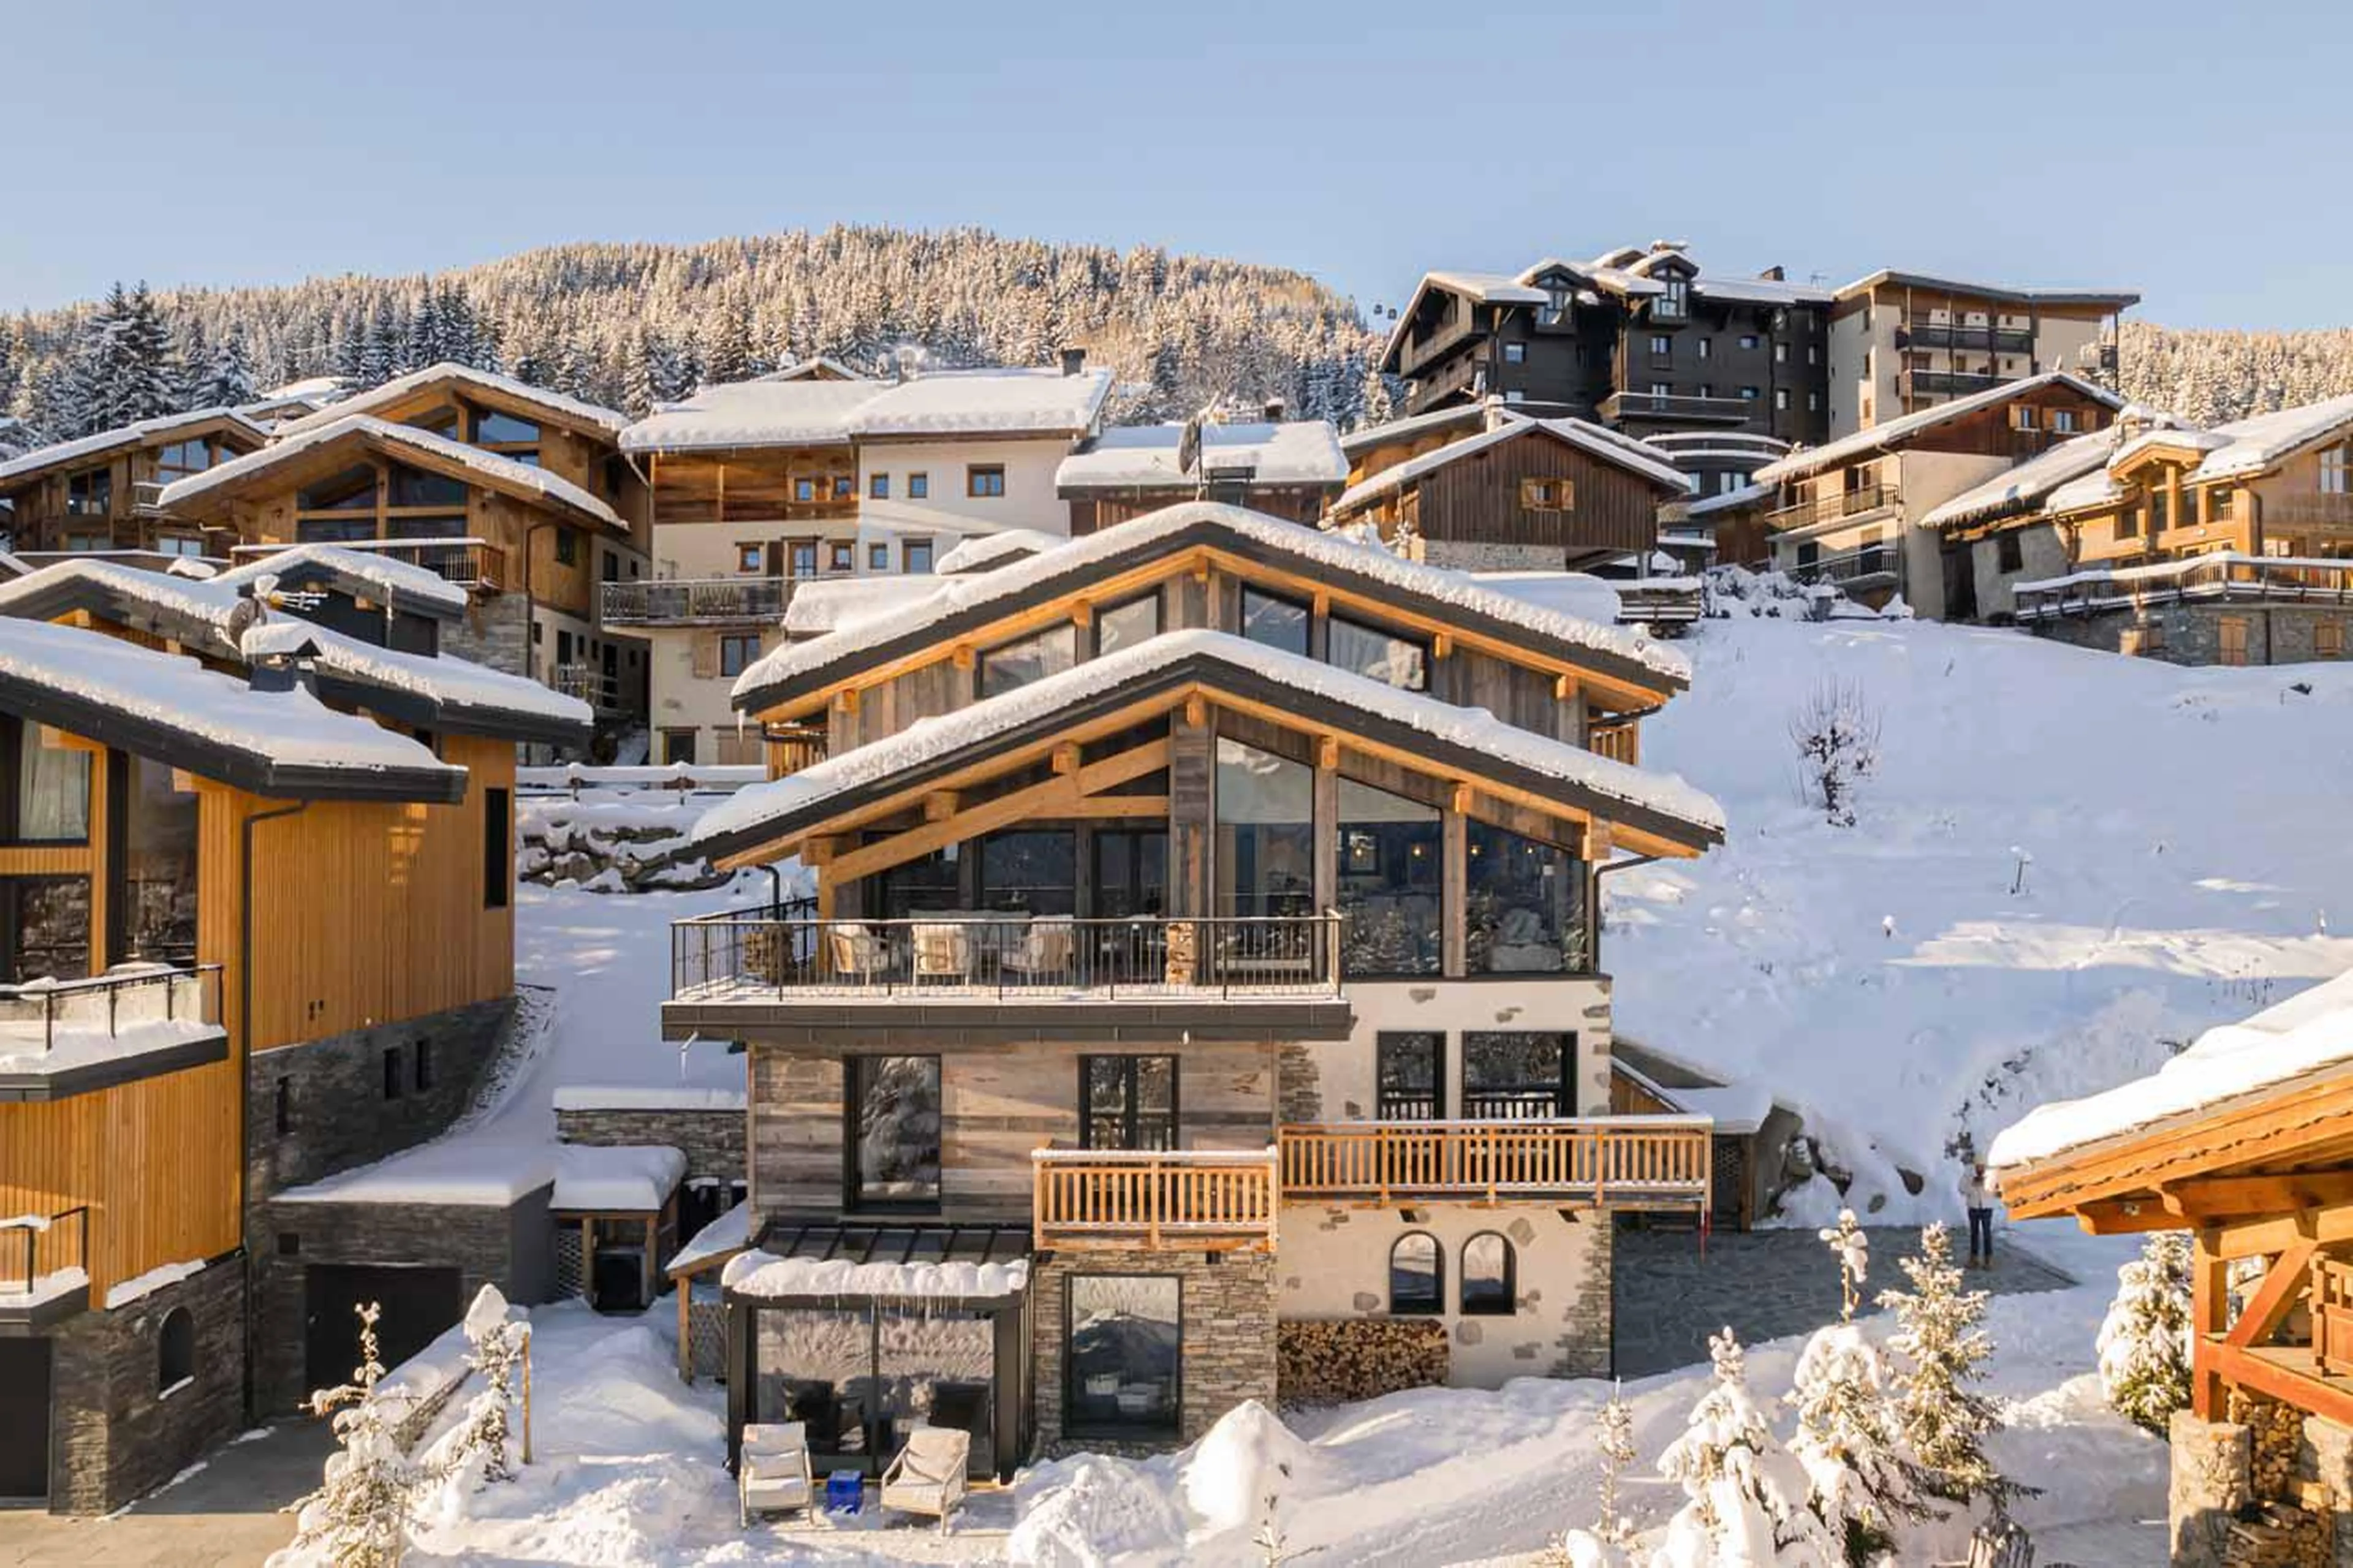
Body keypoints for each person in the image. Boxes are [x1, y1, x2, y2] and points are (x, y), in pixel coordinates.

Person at [1962, 1161, 1995, 1267]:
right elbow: (1961, 1188)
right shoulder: (1968, 1175)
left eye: (1982, 1166)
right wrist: (1972, 1185)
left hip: (1987, 1208)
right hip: (1973, 1208)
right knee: (1974, 1234)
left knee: (1987, 1234)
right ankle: (1974, 1258)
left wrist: (1986, 1185)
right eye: (1978, 1166)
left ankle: (1988, 1259)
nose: (1980, 1168)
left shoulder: (1991, 1175)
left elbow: (1994, 1190)